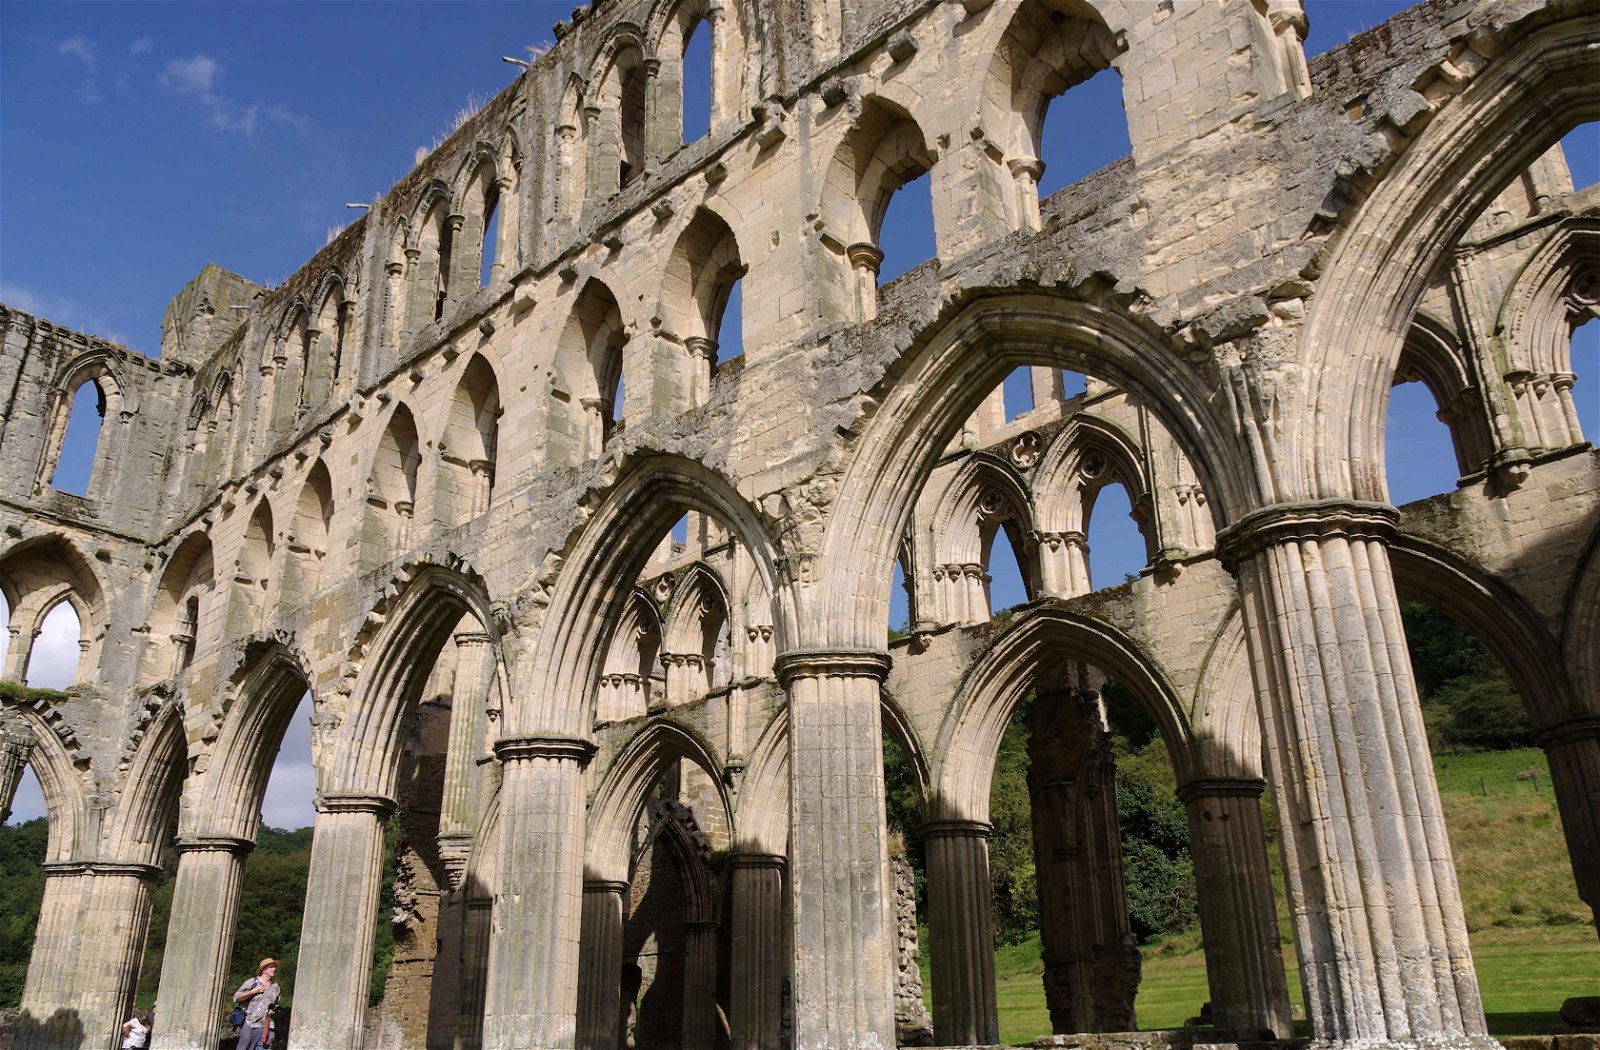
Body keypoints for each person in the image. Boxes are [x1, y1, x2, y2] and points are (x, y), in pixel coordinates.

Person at [233, 958, 281, 1050]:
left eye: (274, 967)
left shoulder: (276, 987)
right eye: (271, 967)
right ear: (263, 970)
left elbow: (276, 1004)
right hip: (250, 1023)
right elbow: (236, 998)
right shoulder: (252, 982)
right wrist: (253, 991)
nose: (274, 969)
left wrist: (273, 1010)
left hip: (267, 1025)